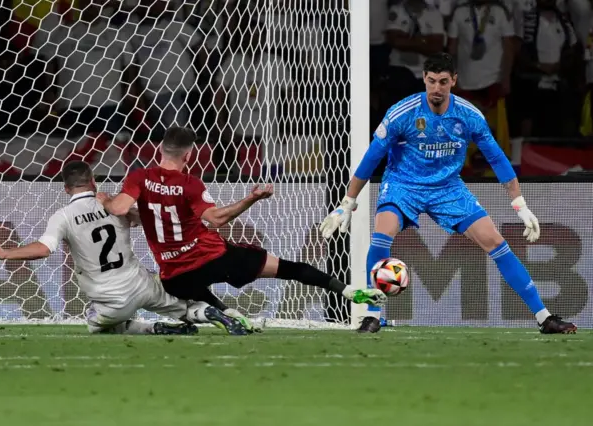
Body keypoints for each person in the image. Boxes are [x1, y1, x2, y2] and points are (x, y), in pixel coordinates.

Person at [319, 52, 577, 334]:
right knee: (381, 236)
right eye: (431, 81)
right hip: (404, 185)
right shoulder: (402, 114)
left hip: (448, 188)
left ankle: (544, 317)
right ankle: (372, 315)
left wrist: (520, 204)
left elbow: (498, 159)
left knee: (495, 241)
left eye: (443, 82)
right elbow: (370, 159)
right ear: (424, 79)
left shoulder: (468, 115)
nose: (437, 89)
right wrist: (348, 202)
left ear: (454, 80)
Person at [97, 127, 385, 332]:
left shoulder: (140, 178)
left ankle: (228, 314)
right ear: (188, 155)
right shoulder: (190, 184)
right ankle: (349, 292)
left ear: (161, 149)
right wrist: (252, 197)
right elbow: (217, 219)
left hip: (174, 275)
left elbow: (121, 209)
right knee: (289, 269)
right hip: (212, 257)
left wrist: (106, 199)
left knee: (195, 295)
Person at [0, 161, 247, 335]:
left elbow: (43, 249)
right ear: (93, 181)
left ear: (65, 189)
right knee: (183, 307)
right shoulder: (115, 205)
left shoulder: (63, 216)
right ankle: (208, 312)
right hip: (142, 285)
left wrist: (4, 252)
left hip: (109, 299)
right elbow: (151, 221)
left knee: (97, 325)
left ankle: (153, 330)